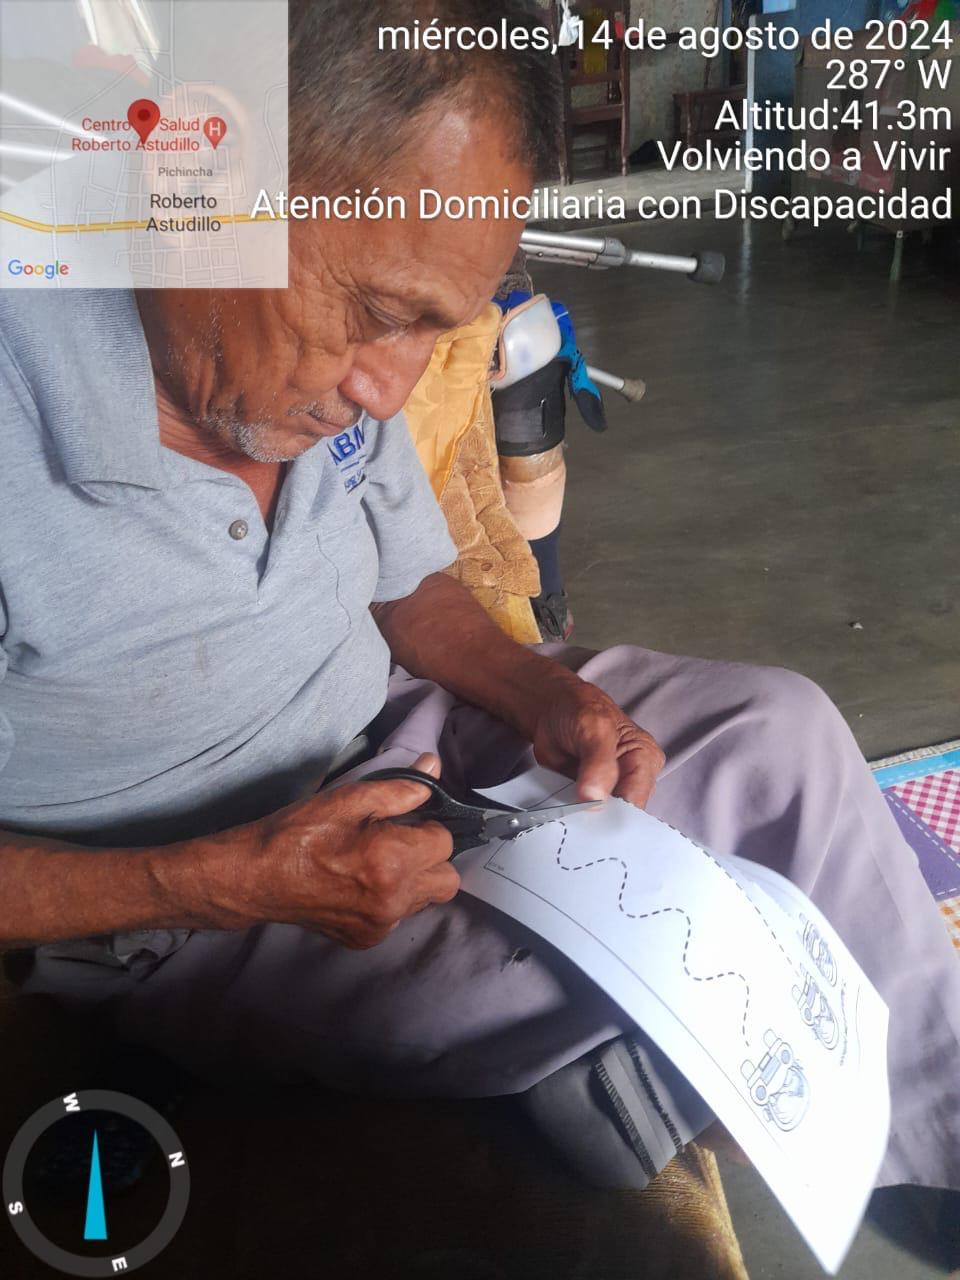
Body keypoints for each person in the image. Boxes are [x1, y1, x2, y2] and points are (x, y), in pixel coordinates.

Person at [1, 0, 958, 1212]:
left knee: (782, 734)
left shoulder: (320, 358)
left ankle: (939, 1131)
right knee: (616, 969)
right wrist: (226, 878)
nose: (386, 387)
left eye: (434, 328)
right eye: (377, 314)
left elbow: (406, 581)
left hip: (405, 742)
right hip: (185, 895)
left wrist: (539, 688)